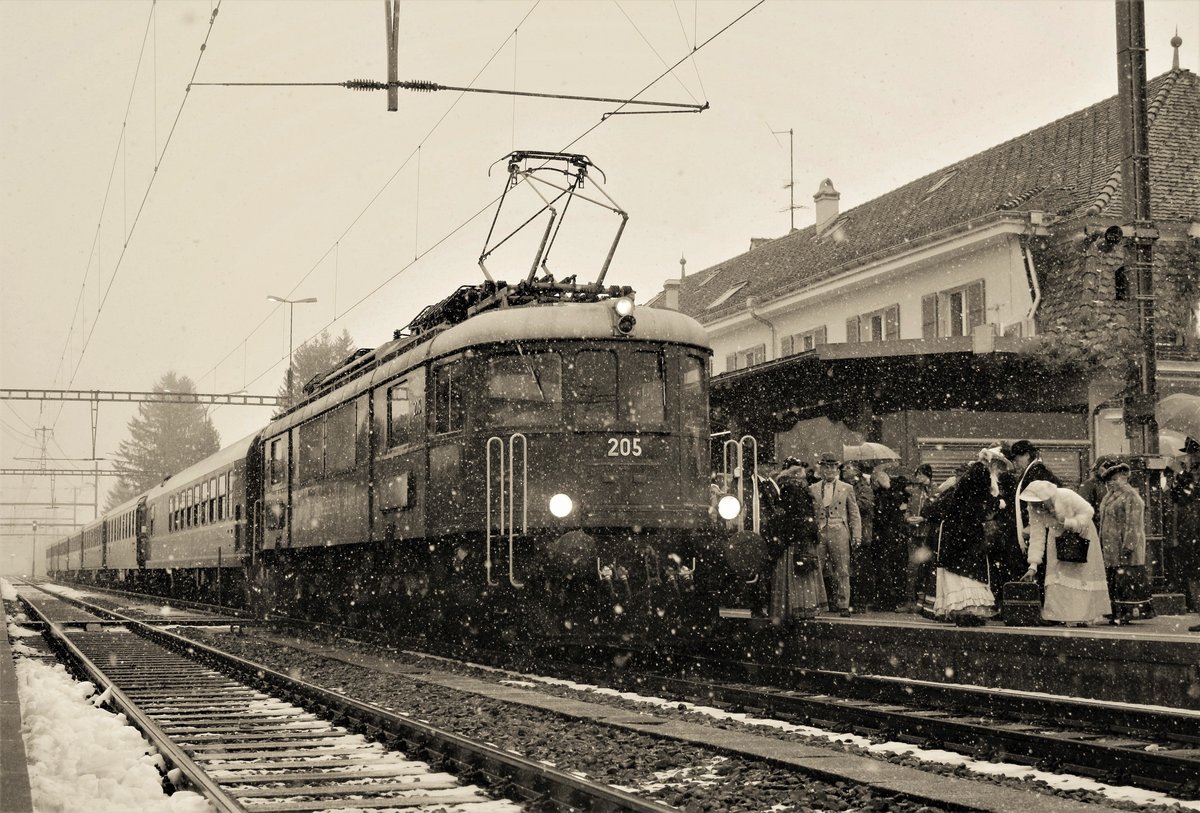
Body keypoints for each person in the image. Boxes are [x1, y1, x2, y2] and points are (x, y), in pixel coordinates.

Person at [1019, 479, 1111, 626]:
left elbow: (1088, 511)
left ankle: (1083, 616)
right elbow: (1037, 534)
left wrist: (1070, 523)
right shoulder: (1034, 509)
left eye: (1038, 501)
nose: (1036, 505)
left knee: (1081, 573)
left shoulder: (1066, 495)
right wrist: (1033, 565)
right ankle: (1059, 614)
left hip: (1081, 535)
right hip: (1057, 538)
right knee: (1057, 574)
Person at [929, 457, 999, 626]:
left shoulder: (958, 492)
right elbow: (987, 508)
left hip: (954, 539)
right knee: (972, 575)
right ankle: (973, 610)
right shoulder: (978, 493)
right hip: (970, 539)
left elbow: (935, 510)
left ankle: (963, 611)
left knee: (957, 575)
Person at [769, 457, 826, 622]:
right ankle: (801, 608)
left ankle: (793, 607)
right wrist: (810, 532)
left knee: (794, 573)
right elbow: (801, 515)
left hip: (792, 536)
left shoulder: (784, 487)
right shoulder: (795, 489)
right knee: (801, 573)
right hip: (798, 537)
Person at [1097, 462, 1154, 624]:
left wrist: (1129, 545)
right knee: (1116, 580)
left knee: (1125, 581)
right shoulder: (1110, 496)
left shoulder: (1131, 496)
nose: (1111, 483)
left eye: (1114, 479)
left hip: (1124, 548)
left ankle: (1125, 613)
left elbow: (1134, 524)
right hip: (1111, 547)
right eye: (1109, 481)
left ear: (1124, 478)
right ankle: (1117, 613)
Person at [810, 452, 862, 616]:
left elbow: (854, 513)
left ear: (837, 469)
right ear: (822, 468)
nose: (830, 470)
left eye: (832, 467)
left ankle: (843, 604)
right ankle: (818, 602)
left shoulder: (846, 488)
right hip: (820, 531)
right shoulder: (813, 488)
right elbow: (811, 512)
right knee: (816, 568)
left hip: (839, 530)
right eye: (826, 467)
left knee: (842, 569)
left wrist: (856, 535)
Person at [1168, 437, 1200, 632]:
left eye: (1191, 453)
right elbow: (1176, 497)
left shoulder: (1191, 477)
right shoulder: (1187, 476)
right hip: (1190, 532)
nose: (1188, 457)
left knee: (1195, 575)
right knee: (1194, 575)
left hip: (1194, 531)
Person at [900, 464, 934, 612]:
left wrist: (924, 519)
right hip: (914, 534)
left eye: (920, 474)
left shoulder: (935, 491)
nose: (918, 477)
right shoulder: (915, 491)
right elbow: (907, 509)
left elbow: (936, 513)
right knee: (911, 569)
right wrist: (908, 518)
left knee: (927, 569)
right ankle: (910, 601)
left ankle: (925, 602)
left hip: (927, 535)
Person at [842, 461, 876, 609]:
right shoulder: (844, 485)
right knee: (849, 567)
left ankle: (859, 600)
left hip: (861, 533)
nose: (844, 470)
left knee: (860, 569)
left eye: (848, 468)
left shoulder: (865, 488)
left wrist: (848, 503)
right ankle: (850, 599)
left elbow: (865, 506)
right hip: (847, 532)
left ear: (856, 471)